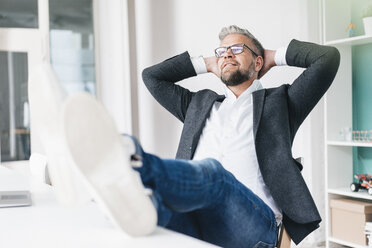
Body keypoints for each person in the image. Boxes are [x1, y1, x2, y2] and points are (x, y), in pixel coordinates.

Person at [62, 25, 340, 248]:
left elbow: (327, 59)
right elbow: (151, 77)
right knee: (152, 212)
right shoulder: (199, 105)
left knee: (214, 174)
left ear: (258, 61)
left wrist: (273, 56)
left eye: (236, 48)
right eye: (221, 51)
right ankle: (103, 181)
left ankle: (123, 161)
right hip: (198, 219)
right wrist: (208, 63)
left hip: (258, 227)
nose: (226, 54)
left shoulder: (282, 103)